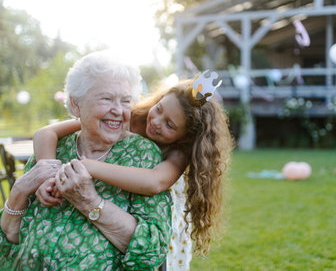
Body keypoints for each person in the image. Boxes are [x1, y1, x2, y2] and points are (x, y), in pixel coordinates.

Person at [32, 71, 233, 269]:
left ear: (186, 137)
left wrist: (90, 166)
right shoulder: (126, 116)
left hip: (156, 210)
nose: (155, 122)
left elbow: (155, 182)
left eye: (169, 125)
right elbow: (45, 133)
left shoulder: (179, 152)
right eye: (159, 109)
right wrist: (47, 176)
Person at [0, 51, 172, 270]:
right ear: (75, 104)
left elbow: (153, 251)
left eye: (126, 101)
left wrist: (90, 202)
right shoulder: (54, 147)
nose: (118, 110)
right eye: (106, 99)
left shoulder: (143, 155)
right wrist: (18, 193)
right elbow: (8, 235)